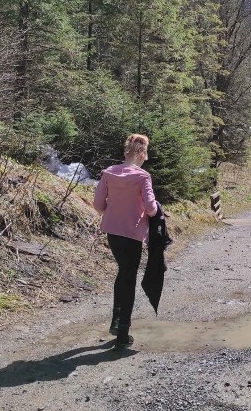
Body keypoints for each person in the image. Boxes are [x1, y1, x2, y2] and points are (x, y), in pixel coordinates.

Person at [94, 133, 159, 349]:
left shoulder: (108, 173)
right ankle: (122, 331)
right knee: (128, 277)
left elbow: (98, 205)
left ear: (125, 152)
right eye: (146, 153)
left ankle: (116, 319)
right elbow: (150, 208)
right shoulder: (142, 177)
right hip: (132, 233)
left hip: (112, 231)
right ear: (142, 153)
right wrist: (157, 208)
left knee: (123, 272)